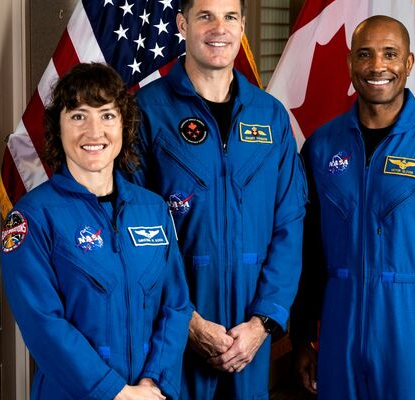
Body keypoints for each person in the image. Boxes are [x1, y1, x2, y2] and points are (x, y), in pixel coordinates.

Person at [293, 15, 415, 400]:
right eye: (365, 55)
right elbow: (308, 253)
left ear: (409, 63)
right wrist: (303, 336)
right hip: (339, 328)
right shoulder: (321, 147)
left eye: (390, 54)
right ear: (350, 63)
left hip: (414, 330)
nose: (377, 66)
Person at [132, 0, 307, 398]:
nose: (219, 28)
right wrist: (185, 321)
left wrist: (263, 322)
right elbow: (132, 229)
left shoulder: (270, 116)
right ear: (182, 24)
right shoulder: (147, 111)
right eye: (205, 16)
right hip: (172, 322)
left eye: (229, 17)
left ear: (243, 26)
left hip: (250, 324)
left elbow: (290, 222)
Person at [0, 63, 192, 400]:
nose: (94, 131)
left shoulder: (153, 209)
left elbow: (175, 305)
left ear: (124, 125)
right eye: (78, 116)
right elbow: (44, 324)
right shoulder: (32, 218)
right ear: (57, 128)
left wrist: (151, 383)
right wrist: (117, 392)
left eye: (107, 115)